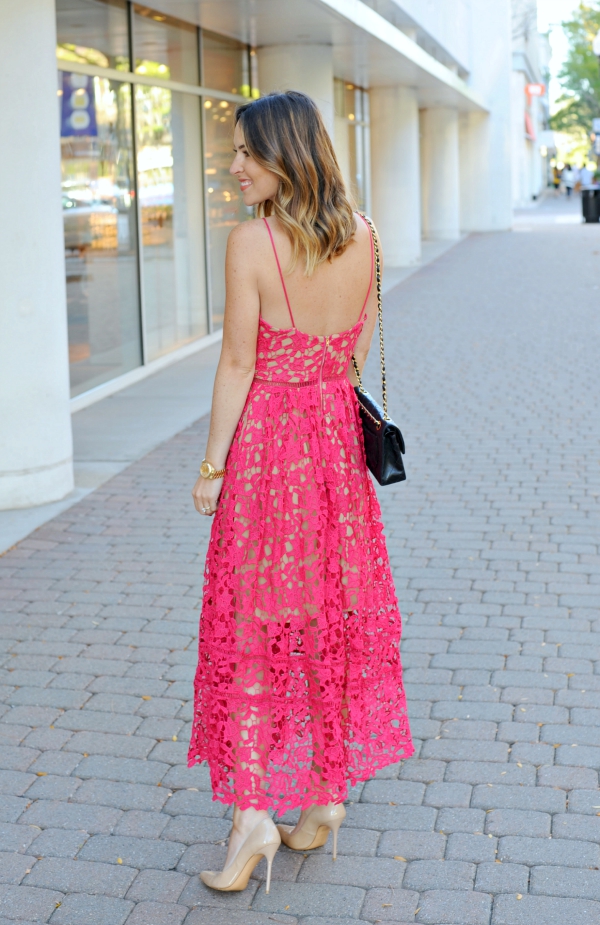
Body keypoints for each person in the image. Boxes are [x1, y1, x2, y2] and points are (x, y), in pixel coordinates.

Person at [188, 90, 414, 894]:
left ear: (287, 154)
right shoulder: (369, 238)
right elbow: (354, 355)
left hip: (266, 459)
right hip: (332, 458)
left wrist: (212, 468)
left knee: (253, 624)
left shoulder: (252, 242)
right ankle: (323, 797)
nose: (236, 165)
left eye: (249, 151)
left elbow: (239, 365)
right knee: (330, 620)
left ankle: (254, 814)